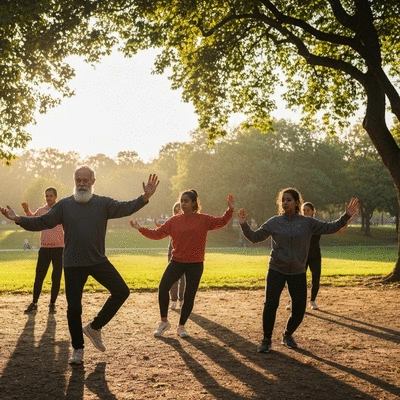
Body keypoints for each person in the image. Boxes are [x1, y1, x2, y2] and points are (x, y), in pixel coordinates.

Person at [1, 166, 159, 365]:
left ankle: (94, 327)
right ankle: (78, 349)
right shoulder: (64, 206)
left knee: (121, 291)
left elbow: (127, 207)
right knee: (74, 308)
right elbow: (42, 221)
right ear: (74, 181)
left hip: (98, 260)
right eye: (79, 180)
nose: (82, 183)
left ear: (93, 181)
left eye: (86, 180)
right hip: (73, 263)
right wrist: (18, 219)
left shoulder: (103, 203)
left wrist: (145, 197)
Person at [237, 188, 359, 353]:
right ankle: (266, 339)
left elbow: (331, 227)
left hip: (298, 271)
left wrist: (346, 216)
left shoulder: (307, 222)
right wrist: (244, 224)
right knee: (270, 304)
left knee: (299, 309)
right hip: (276, 269)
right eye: (283, 200)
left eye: (288, 200)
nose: (285, 203)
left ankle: (287, 334)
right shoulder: (274, 222)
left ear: (296, 203)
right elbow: (255, 237)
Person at [130, 190, 235, 338]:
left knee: (189, 296)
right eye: (181, 200)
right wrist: (140, 228)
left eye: (186, 201)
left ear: (194, 203)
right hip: (177, 262)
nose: (183, 203)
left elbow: (221, 222)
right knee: (163, 287)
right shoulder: (174, 221)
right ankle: (164, 322)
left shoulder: (203, 219)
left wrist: (230, 210)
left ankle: (181, 326)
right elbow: (157, 234)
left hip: (195, 264)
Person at [285, 201, 355, 311]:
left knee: (315, 279)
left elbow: (338, 229)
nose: (305, 212)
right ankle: (293, 301)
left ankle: (312, 301)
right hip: (301, 256)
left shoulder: (317, 225)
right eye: (304, 210)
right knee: (297, 280)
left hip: (314, 256)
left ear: (313, 212)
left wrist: (349, 218)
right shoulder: (297, 224)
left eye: (308, 210)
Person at [21, 187, 64, 314]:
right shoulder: (41, 211)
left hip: (59, 249)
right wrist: (26, 210)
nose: (48, 198)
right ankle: (34, 303)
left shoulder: (61, 210)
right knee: (39, 276)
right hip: (44, 248)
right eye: (46, 196)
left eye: (50, 196)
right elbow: (32, 220)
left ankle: (52, 304)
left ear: (55, 196)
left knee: (56, 277)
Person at [155, 202, 186, 310]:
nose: (178, 212)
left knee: (183, 278)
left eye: (180, 210)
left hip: (185, 252)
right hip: (172, 251)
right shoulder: (171, 222)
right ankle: (173, 300)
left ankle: (182, 299)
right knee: (173, 277)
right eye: (176, 210)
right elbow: (161, 231)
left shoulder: (187, 222)